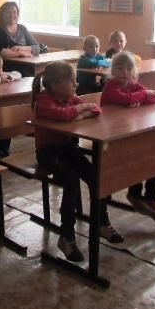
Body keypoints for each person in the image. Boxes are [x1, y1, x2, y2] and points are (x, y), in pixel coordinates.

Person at [33, 61, 124, 262]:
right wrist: (79, 110)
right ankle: (66, 236)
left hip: (66, 149)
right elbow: (63, 114)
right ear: (56, 84)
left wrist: (76, 115)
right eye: (71, 81)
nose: (76, 85)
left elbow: (95, 109)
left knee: (95, 175)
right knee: (72, 180)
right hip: (48, 153)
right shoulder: (44, 102)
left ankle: (101, 223)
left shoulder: (70, 98)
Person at [100, 52, 155, 223]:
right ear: (113, 71)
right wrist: (142, 96)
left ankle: (151, 198)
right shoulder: (111, 86)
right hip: (110, 137)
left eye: (129, 68)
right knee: (138, 157)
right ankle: (135, 194)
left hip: (129, 131)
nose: (125, 72)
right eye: (120, 68)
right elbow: (125, 99)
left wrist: (139, 98)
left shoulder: (133, 85)